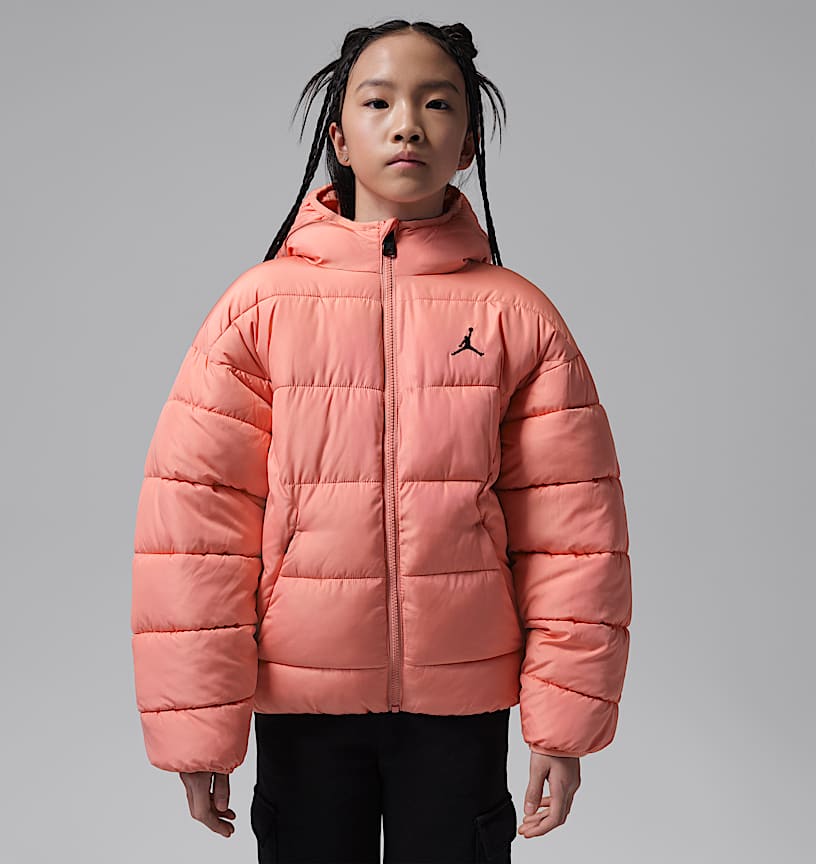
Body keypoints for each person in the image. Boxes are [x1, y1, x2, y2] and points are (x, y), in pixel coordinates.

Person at [130, 18, 632, 864]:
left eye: (437, 104)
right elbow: (198, 525)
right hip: (301, 698)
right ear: (340, 138)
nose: (408, 124)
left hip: (462, 704)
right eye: (378, 102)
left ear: (468, 143)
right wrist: (201, 729)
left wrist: (563, 723)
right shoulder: (261, 310)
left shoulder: (517, 318)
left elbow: (573, 537)